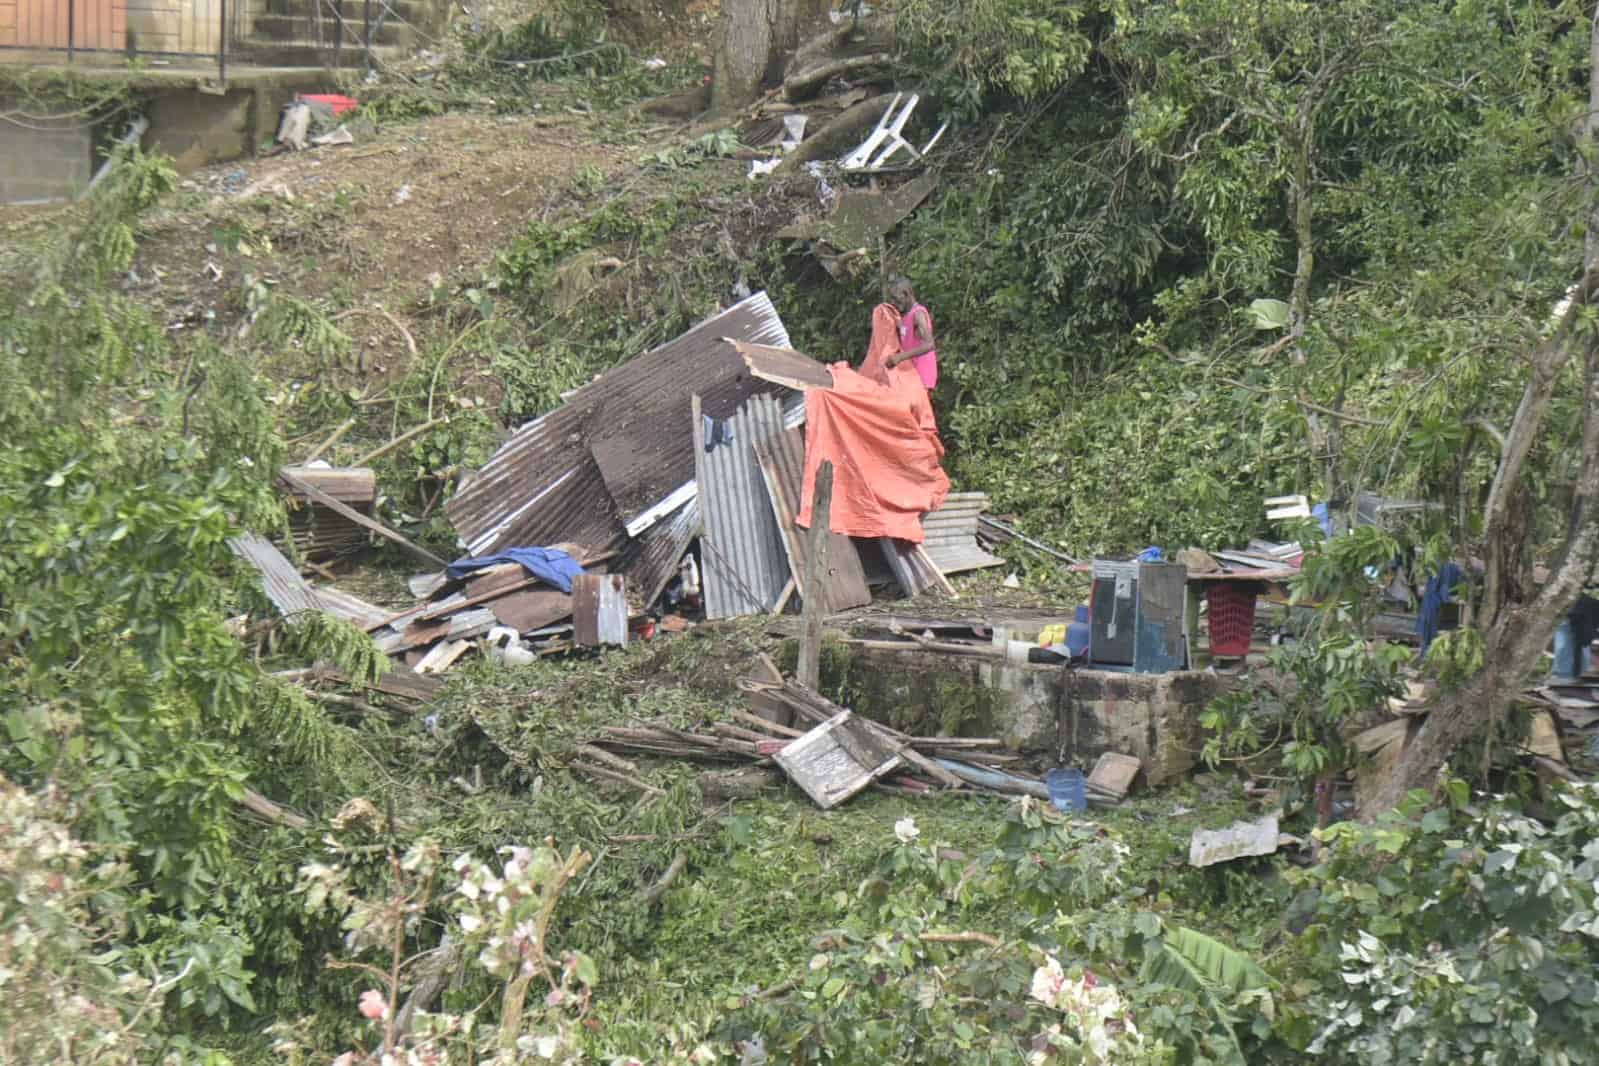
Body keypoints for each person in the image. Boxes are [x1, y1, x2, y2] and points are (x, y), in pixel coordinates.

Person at [884, 276, 937, 391]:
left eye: (896, 299)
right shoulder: (905, 316)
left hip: (922, 373)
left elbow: (930, 344)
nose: (893, 303)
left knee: (919, 408)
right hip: (912, 373)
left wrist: (901, 357)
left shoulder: (918, 314)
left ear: (906, 294)